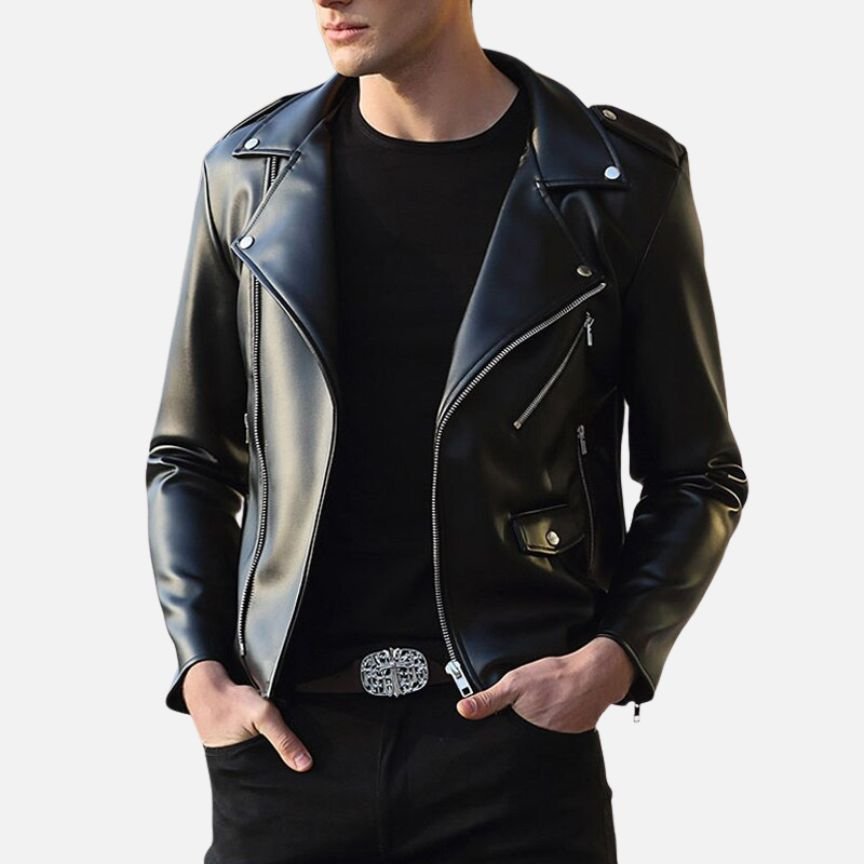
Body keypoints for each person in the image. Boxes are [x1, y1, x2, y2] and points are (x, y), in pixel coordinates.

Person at [145, 1, 749, 861]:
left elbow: (698, 472)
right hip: (286, 752)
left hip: (515, 758)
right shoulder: (248, 176)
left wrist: (615, 656)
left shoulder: (615, 184)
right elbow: (190, 455)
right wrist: (202, 670)